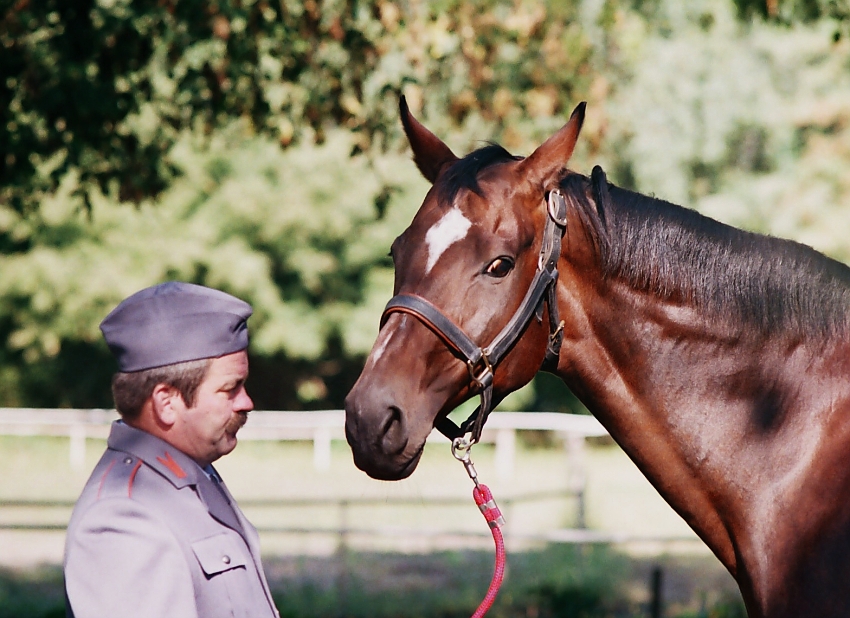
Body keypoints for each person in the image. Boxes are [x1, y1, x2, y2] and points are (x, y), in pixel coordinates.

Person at [64, 281, 279, 618]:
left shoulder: (190, 476)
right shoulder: (122, 518)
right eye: (230, 388)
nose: (246, 401)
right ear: (167, 403)